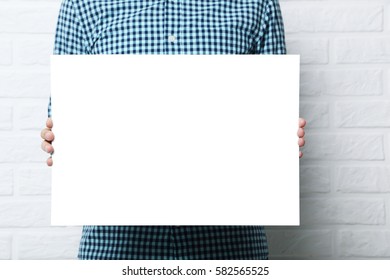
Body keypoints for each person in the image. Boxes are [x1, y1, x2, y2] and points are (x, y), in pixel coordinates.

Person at [40, 0, 306, 260]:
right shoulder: (82, 4)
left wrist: (280, 139)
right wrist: (59, 141)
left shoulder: (257, 4)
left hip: (230, 246)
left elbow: (273, 116)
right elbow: (63, 119)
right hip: (116, 247)